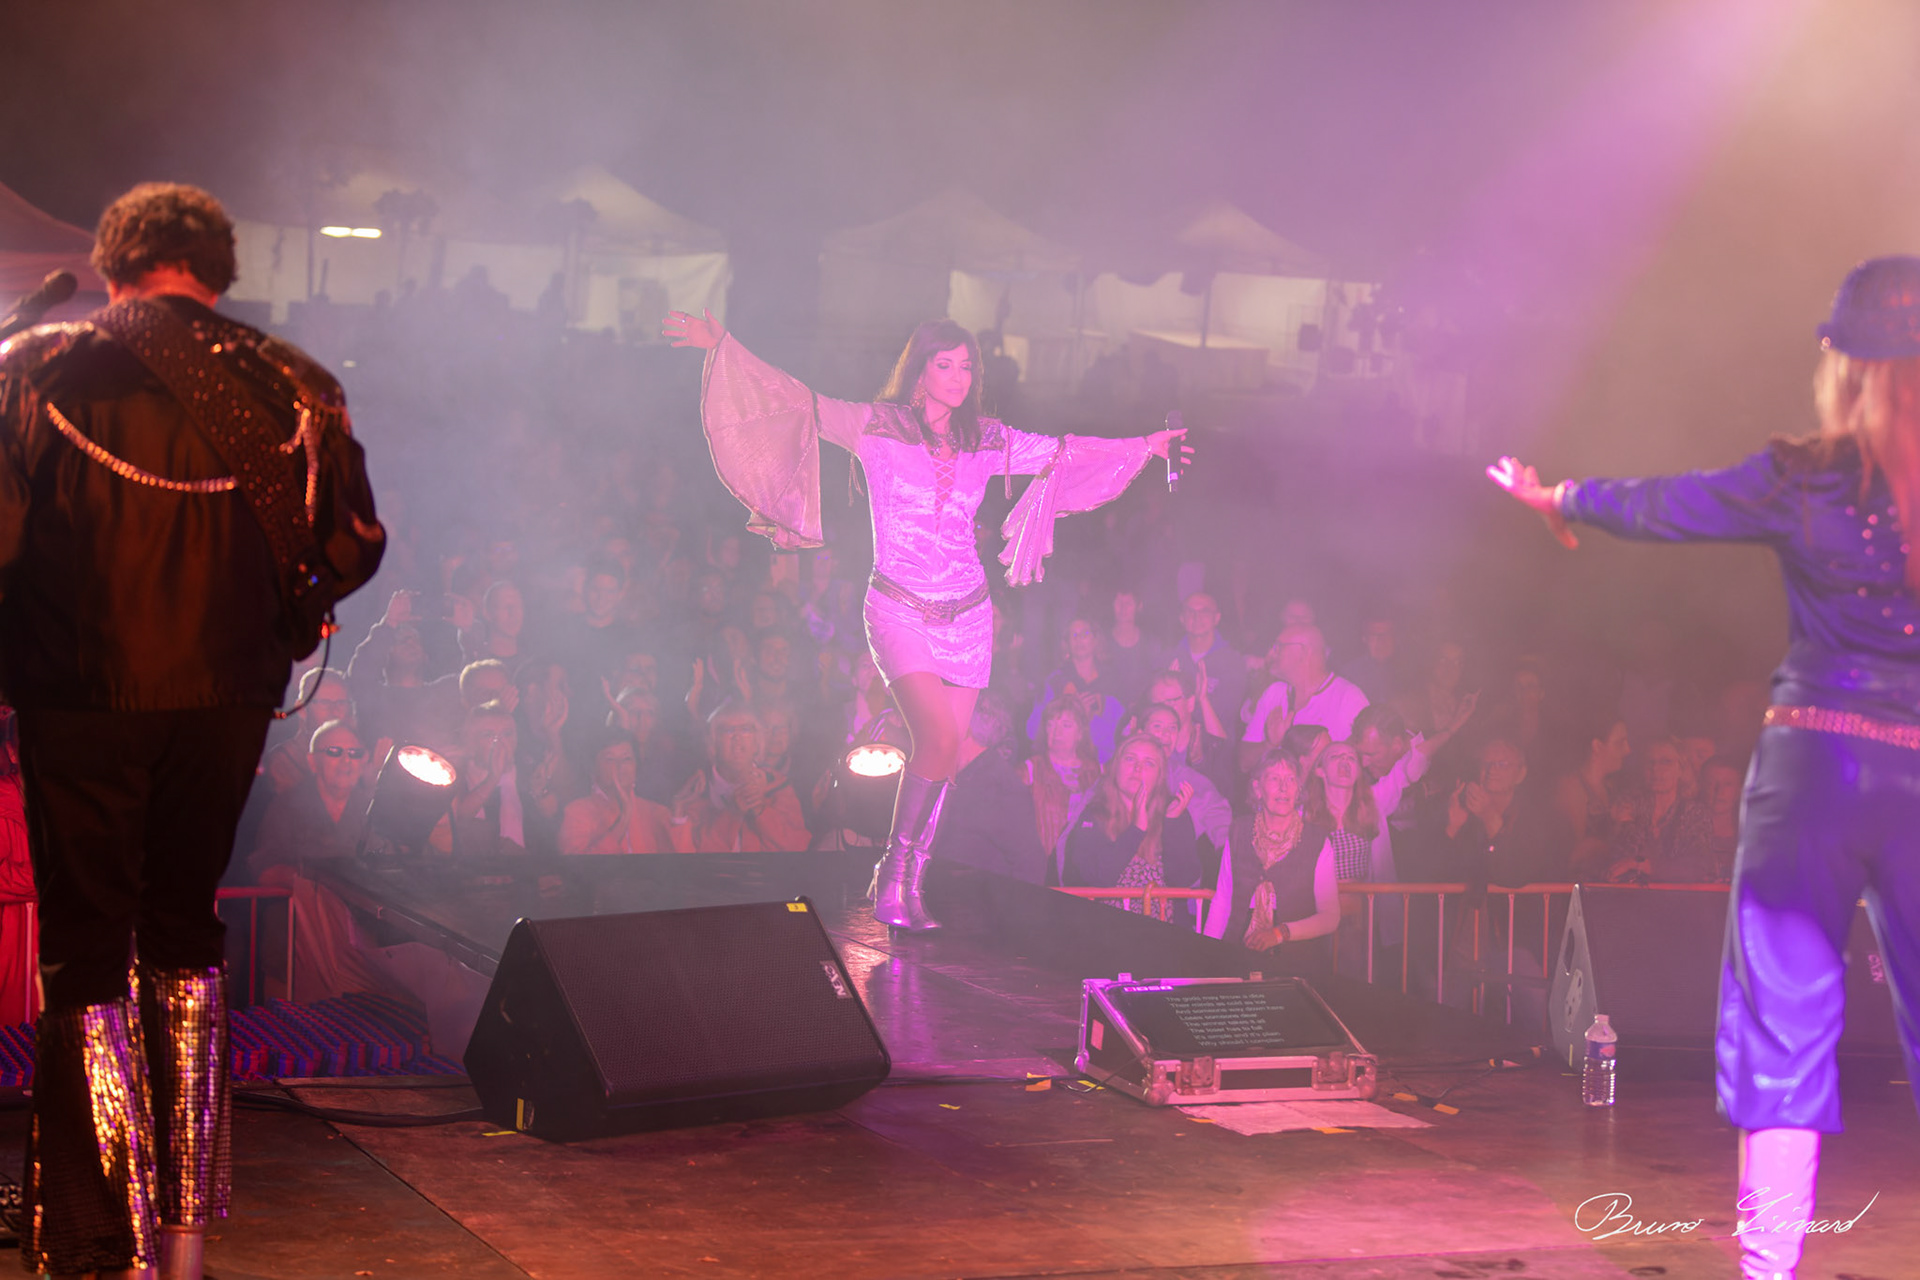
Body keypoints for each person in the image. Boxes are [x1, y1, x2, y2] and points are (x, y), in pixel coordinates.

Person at [1488, 255, 1920, 1280]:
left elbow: (1673, 503)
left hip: (1813, 767)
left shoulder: (1803, 475)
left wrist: (1562, 496)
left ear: (1841, 364)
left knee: (1786, 1009)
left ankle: (1768, 1264)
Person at [0, 182, 383, 1279]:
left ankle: (97, 1245)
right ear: (219, 273)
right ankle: (183, 1242)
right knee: (186, 941)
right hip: (225, 700)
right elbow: (353, 544)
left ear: (113, 265)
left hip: (80, 694)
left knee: (85, 957)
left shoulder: (34, 362)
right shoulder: (295, 381)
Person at [667, 311, 1187, 929]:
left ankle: (912, 885)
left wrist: (1145, 447)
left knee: (953, 754)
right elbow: (797, 401)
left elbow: (1063, 454)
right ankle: (893, 873)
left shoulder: (986, 439)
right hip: (897, 609)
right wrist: (724, 346)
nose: (960, 376)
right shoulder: (876, 426)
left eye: (967, 366)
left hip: (968, 616)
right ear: (918, 371)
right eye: (946, 364)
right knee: (936, 741)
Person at [1213, 752, 1341, 971]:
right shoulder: (1239, 831)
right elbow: (1223, 901)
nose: (1284, 788)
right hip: (1238, 956)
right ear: (1257, 788)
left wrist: (1280, 933)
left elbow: (1330, 917)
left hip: (1298, 964)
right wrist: (1207, 953)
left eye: (1291, 779)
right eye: (1274, 779)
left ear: (1299, 789)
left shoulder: (1317, 840)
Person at [1060, 734, 1200, 914]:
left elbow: (1183, 879)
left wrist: (1172, 824)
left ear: (1159, 776)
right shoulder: (1094, 814)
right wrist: (1135, 831)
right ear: (1116, 767)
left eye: (1149, 763)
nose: (1138, 768)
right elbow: (1094, 879)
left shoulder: (1173, 810)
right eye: (1130, 759)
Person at [931, 692, 1047, 883]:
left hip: (976, 908)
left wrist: (1007, 912)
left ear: (966, 723)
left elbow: (1030, 864)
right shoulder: (945, 773)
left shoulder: (1002, 786)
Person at [669, 700, 809, 853]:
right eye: (727, 730)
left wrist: (761, 811)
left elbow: (798, 848)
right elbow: (694, 858)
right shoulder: (695, 791)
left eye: (745, 730)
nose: (737, 737)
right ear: (712, 743)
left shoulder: (777, 786)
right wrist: (733, 813)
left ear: (758, 741)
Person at [1240, 623, 1371, 770]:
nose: (1271, 653)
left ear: (1303, 652)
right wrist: (1269, 745)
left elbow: (1364, 766)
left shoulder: (1348, 699)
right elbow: (1243, 763)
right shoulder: (1273, 693)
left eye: (1278, 647)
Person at [1605, 737, 1715, 884]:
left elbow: (1697, 866)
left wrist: (1642, 865)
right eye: (1650, 762)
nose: (1656, 769)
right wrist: (1625, 824)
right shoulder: (1629, 808)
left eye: (1666, 762)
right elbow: (1617, 861)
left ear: (1681, 769)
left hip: (1679, 901)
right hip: (1632, 898)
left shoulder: (1695, 813)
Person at [558, 726, 674, 855]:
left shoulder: (657, 812)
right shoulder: (577, 812)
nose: (620, 766)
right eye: (610, 759)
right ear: (593, 769)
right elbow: (578, 868)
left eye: (627, 758)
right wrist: (623, 820)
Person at [1023, 695, 1101, 876]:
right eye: (1051, 725)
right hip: (1040, 870)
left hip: (1082, 872)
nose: (1057, 732)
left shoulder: (1097, 773)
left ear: (1080, 733)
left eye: (1066, 725)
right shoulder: (1029, 770)